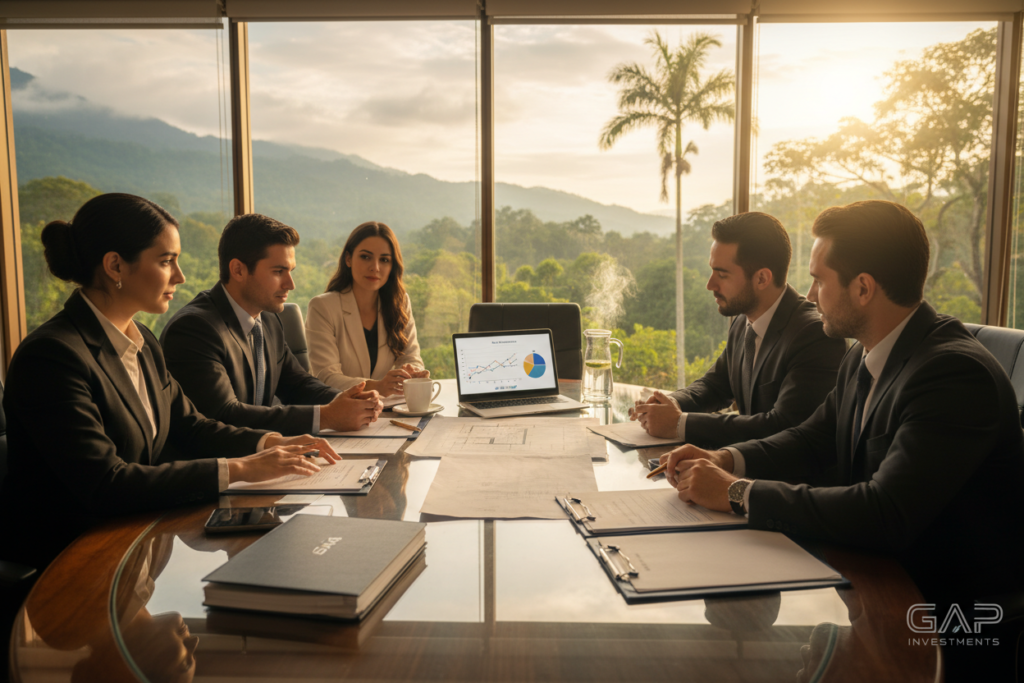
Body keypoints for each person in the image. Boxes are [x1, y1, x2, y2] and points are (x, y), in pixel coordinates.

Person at [661, 200, 1024, 609]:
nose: (810, 296)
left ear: (863, 288)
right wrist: (725, 458)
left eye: (818, 280)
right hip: (872, 578)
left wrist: (738, 492)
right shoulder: (863, 354)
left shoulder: (954, 375)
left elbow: (884, 512)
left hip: (943, 610)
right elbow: (812, 438)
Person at [0, 194, 338, 570]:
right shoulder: (51, 356)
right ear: (115, 265)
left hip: (141, 540)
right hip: (72, 563)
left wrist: (271, 443)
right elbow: (105, 484)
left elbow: (191, 426)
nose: (180, 276)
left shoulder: (141, 340)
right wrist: (240, 468)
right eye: (166, 261)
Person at [631, 212, 846, 449]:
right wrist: (667, 403)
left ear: (762, 278)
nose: (710, 285)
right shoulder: (743, 321)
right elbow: (715, 386)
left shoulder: (814, 334)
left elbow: (783, 426)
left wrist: (680, 424)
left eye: (722, 274)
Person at [160, 213, 382, 435]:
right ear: (238, 270)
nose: (290, 284)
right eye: (278, 271)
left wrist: (347, 400)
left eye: (290, 271)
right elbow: (223, 415)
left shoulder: (268, 318)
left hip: (266, 455)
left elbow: (297, 384)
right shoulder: (194, 329)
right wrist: (327, 416)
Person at [306, 221, 427, 397]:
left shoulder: (400, 303)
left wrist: (412, 373)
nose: (375, 268)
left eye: (384, 260)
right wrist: (377, 386)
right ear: (348, 259)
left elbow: (410, 357)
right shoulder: (322, 307)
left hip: (386, 410)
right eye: (365, 257)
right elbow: (326, 377)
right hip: (339, 412)